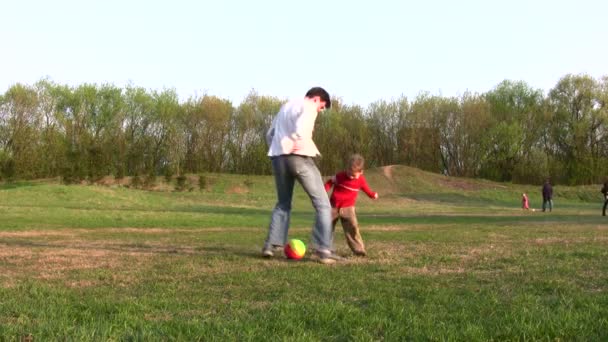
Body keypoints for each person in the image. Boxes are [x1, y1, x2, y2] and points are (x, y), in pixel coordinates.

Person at [261, 87, 338, 264]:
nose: (320, 110)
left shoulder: (286, 106)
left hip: (278, 158)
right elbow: (302, 126)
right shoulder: (309, 106)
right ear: (317, 99)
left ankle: (270, 246)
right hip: (298, 157)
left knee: (283, 203)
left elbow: (270, 134)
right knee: (323, 204)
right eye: (322, 107)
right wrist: (297, 139)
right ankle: (323, 250)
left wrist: (278, 149)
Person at [324, 154, 378, 257]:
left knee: (352, 228)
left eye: (353, 175)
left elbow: (366, 189)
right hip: (333, 207)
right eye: (348, 173)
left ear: (361, 172)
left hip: (349, 209)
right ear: (346, 169)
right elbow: (330, 183)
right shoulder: (340, 176)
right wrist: (324, 191)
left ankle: (359, 250)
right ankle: (325, 249)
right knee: (327, 227)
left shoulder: (361, 180)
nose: (350, 176)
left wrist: (372, 195)